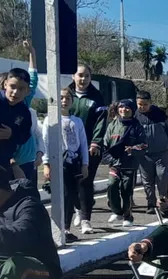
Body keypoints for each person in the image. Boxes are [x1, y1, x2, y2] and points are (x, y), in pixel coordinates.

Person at [41, 87, 89, 240]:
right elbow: (45, 142)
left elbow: (83, 143)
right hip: (57, 163)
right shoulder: (51, 120)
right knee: (61, 196)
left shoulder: (77, 121)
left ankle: (66, 228)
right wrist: (46, 164)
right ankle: (57, 228)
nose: (64, 101)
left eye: (68, 98)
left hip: (73, 164)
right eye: (61, 98)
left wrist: (85, 164)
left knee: (71, 196)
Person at [67, 63, 108, 235]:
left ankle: (86, 219)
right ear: (73, 76)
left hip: (90, 147)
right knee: (70, 184)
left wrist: (96, 142)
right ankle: (77, 209)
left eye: (87, 76)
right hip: (68, 148)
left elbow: (101, 122)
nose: (83, 79)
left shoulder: (96, 97)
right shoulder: (65, 94)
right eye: (80, 75)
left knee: (85, 181)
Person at [135, 91, 168, 214]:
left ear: (150, 103)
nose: (142, 107)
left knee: (162, 176)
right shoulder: (134, 116)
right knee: (147, 181)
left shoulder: (160, 114)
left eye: (145, 104)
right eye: (139, 104)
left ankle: (163, 202)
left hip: (161, 153)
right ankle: (150, 203)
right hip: (144, 155)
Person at [106, 99, 146, 227]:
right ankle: (116, 211)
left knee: (126, 191)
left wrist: (133, 149)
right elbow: (105, 144)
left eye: (127, 108)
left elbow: (144, 145)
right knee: (112, 185)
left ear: (132, 110)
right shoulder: (112, 125)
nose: (124, 110)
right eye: (121, 107)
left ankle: (127, 216)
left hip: (130, 164)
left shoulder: (137, 126)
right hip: (114, 163)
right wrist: (108, 158)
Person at [13, 41, 44, 186]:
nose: (16, 92)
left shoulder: (24, 104)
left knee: (32, 199)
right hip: (12, 165)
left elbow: (32, 79)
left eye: (21, 89)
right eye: (12, 87)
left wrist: (32, 53)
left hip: (29, 162)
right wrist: (12, 163)